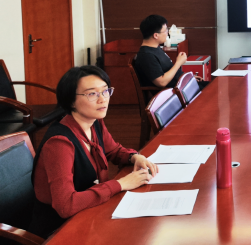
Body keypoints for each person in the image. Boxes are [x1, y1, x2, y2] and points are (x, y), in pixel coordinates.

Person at [30, 66, 157, 238]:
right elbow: (65, 205)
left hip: (90, 213)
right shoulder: (59, 143)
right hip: (60, 230)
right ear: (71, 101)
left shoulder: (94, 122)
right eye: (92, 94)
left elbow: (114, 150)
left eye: (105, 91)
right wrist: (120, 184)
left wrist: (134, 157)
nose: (102, 99)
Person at [134, 14, 191, 101]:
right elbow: (162, 82)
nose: (167, 33)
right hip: (174, 95)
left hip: (182, 88)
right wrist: (178, 63)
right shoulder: (147, 56)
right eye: (165, 30)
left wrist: (187, 78)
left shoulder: (155, 48)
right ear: (156, 35)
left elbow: (169, 71)